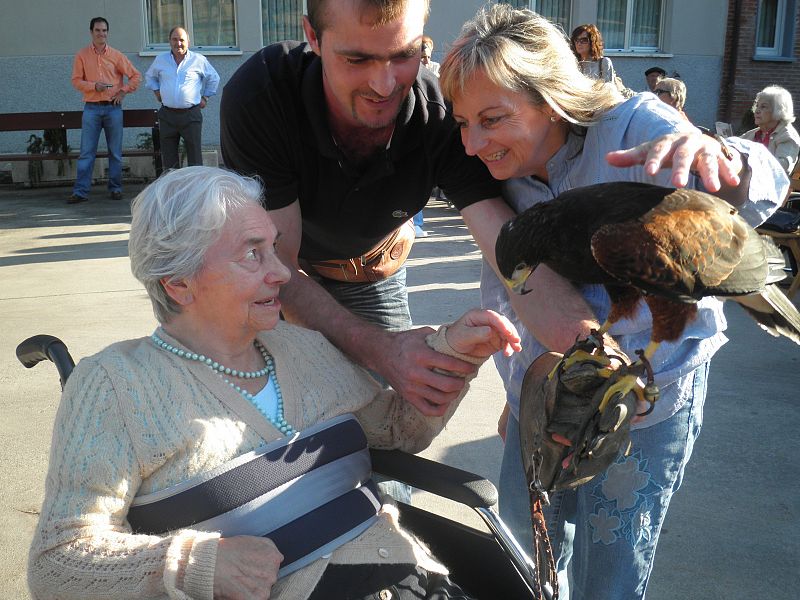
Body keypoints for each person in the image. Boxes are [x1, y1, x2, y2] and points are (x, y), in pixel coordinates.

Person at [27, 166, 521, 600]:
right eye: (252, 255)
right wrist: (197, 563)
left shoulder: (298, 346)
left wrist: (454, 353)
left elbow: (399, 431)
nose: (282, 272)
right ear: (179, 282)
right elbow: (58, 561)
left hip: (409, 577)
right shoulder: (115, 385)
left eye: (274, 249)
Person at [438, 5, 788, 599]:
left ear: (550, 98)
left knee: (612, 568)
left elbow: (751, 189)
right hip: (546, 393)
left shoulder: (634, 128)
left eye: (492, 119)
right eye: (463, 122)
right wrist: (518, 389)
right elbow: (513, 290)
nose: (472, 144)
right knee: (525, 556)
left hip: (650, 401)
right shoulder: (503, 173)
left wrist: (724, 158)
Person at [220, 0, 502, 417]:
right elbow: (277, 266)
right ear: (312, 37)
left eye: (404, 54)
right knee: (276, 425)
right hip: (272, 280)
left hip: (373, 275)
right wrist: (385, 352)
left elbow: (510, 247)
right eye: (357, 58)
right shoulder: (262, 97)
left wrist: (543, 364)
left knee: (390, 428)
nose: (384, 85)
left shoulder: (441, 115)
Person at [69, 17, 141, 204]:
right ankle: (81, 191)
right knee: (86, 152)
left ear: (107, 32)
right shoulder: (82, 55)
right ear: (91, 32)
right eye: (98, 30)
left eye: (104, 30)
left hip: (113, 109)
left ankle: (115, 188)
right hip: (91, 109)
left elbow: (135, 76)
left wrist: (123, 91)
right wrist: (94, 86)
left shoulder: (116, 55)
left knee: (115, 152)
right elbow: (76, 81)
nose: (101, 34)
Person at [145, 26, 220, 170]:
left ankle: (195, 190)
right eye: (174, 39)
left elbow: (214, 78)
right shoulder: (161, 60)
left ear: (188, 42)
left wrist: (205, 97)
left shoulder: (198, 60)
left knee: (195, 159)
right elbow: (150, 76)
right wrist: (156, 91)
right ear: (169, 41)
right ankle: (173, 190)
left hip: (190, 116)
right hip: (167, 115)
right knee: (169, 159)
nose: (178, 43)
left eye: (181, 40)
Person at [741, 85, 800, 175]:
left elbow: (782, 167)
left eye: (763, 107)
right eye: (757, 106)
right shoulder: (754, 133)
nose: (757, 110)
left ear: (779, 110)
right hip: (749, 183)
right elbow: (733, 145)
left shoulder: (787, 136)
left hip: (771, 186)